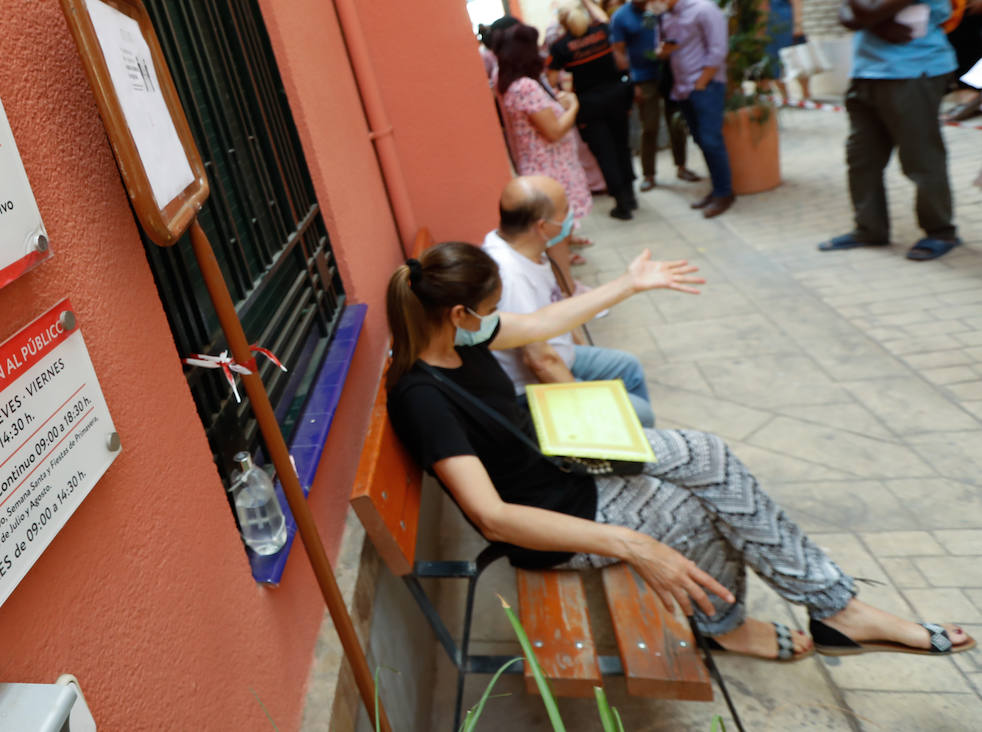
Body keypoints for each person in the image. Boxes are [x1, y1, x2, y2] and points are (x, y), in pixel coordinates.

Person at [385, 241, 975, 661]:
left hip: (565, 462)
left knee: (708, 455)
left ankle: (836, 608)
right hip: (554, 518)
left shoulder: (463, 334)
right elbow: (493, 515)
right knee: (692, 511)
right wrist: (632, 543)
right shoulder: (422, 396)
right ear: (458, 313)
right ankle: (725, 626)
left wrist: (630, 284)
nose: (495, 321)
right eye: (488, 311)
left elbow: (540, 322)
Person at [820, 0, 960, 261]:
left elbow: (862, 10)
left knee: (920, 158)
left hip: (912, 72)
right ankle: (870, 229)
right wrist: (875, 22)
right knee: (861, 157)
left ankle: (941, 232)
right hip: (868, 71)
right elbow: (848, 13)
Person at [483, 175, 656, 429]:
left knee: (627, 367)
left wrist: (580, 351)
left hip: (562, 356)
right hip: (531, 388)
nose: (570, 215)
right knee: (638, 415)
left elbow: (560, 307)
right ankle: (621, 450)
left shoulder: (522, 243)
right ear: (542, 227)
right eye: (565, 210)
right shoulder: (509, 277)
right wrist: (584, 404)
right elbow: (540, 361)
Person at [643, 0, 735, 218]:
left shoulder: (704, 9)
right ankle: (716, 190)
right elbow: (659, 51)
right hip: (681, 89)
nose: (651, 5)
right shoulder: (665, 16)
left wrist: (702, 84)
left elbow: (718, 50)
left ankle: (725, 193)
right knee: (702, 141)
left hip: (705, 86)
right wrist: (663, 51)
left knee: (711, 140)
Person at [495, 23, 593, 229]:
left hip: (544, 163)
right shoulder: (525, 86)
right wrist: (574, 106)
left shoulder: (508, 81)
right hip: (549, 165)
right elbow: (554, 131)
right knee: (556, 221)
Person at [549, 0, 638, 219]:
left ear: (564, 24)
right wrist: (587, 2)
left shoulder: (560, 47)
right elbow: (603, 17)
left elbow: (551, 80)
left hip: (589, 105)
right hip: (617, 96)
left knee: (604, 153)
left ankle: (621, 203)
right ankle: (630, 195)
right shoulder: (602, 32)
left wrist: (565, 93)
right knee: (621, 147)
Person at [611, 0, 699, 191]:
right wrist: (629, 80)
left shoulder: (661, 9)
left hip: (670, 73)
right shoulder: (621, 17)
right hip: (643, 78)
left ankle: (682, 166)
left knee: (676, 122)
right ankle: (649, 174)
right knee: (649, 126)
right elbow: (618, 51)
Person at [760, 0, 808, 103]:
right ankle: (785, 98)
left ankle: (807, 96)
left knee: (799, 62)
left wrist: (798, 25)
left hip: (788, 29)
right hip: (769, 33)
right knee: (774, 66)